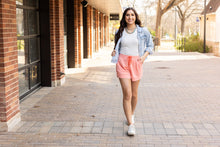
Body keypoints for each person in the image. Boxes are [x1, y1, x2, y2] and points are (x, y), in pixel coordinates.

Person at [111, 7, 154, 136]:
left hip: (136, 63)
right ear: (124, 17)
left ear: (135, 17)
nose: (130, 17)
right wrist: (114, 52)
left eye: (132, 15)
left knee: (134, 95)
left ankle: (131, 114)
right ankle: (131, 124)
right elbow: (116, 47)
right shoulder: (119, 31)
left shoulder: (142, 31)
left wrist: (143, 57)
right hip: (122, 63)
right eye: (127, 15)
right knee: (127, 94)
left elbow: (151, 46)